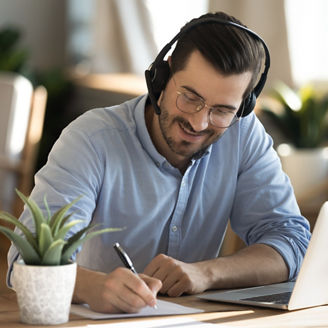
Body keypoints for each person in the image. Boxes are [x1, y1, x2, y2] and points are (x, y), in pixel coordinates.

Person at [7, 11, 310, 314]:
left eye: (221, 110)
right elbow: (25, 265)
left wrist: (205, 273)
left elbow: (291, 242)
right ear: (160, 78)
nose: (199, 122)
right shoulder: (91, 139)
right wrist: (94, 286)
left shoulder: (242, 134)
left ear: (242, 107)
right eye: (190, 97)